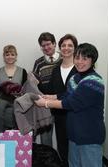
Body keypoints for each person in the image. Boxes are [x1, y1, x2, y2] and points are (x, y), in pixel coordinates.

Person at [35, 43, 106, 167]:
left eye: (85, 58)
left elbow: (71, 103)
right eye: (77, 58)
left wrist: (45, 103)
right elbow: (67, 94)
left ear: (92, 60)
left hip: (89, 137)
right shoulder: (75, 78)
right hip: (74, 135)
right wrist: (51, 96)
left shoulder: (94, 81)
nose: (79, 62)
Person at [46, 34, 78, 166]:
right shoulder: (55, 70)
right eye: (63, 45)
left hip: (77, 117)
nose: (66, 48)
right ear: (59, 48)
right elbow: (51, 91)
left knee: (76, 152)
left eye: (70, 45)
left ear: (75, 48)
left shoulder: (80, 69)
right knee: (63, 150)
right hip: (60, 116)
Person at [32, 32, 61, 147]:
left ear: (54, 44)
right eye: (43, 46)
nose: (46, 47)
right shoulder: (38, 63)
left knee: (63, 136)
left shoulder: (64, 59)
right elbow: (34, 84)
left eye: (48, 44)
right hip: (45, 105)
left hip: (62, 103)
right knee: (46, 138)